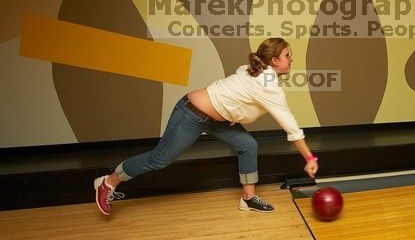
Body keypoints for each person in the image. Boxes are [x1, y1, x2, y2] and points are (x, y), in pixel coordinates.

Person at [94, 38, 318, 216]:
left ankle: (248, 199)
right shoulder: (267, 85)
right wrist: (309, 159)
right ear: (274, 62)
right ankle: (108, 182)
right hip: (191, 113)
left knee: (248, 144)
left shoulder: (254, 71)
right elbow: (291, 127)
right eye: (287, 55)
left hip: (217, 121)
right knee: (159, 159)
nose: (292, 59)